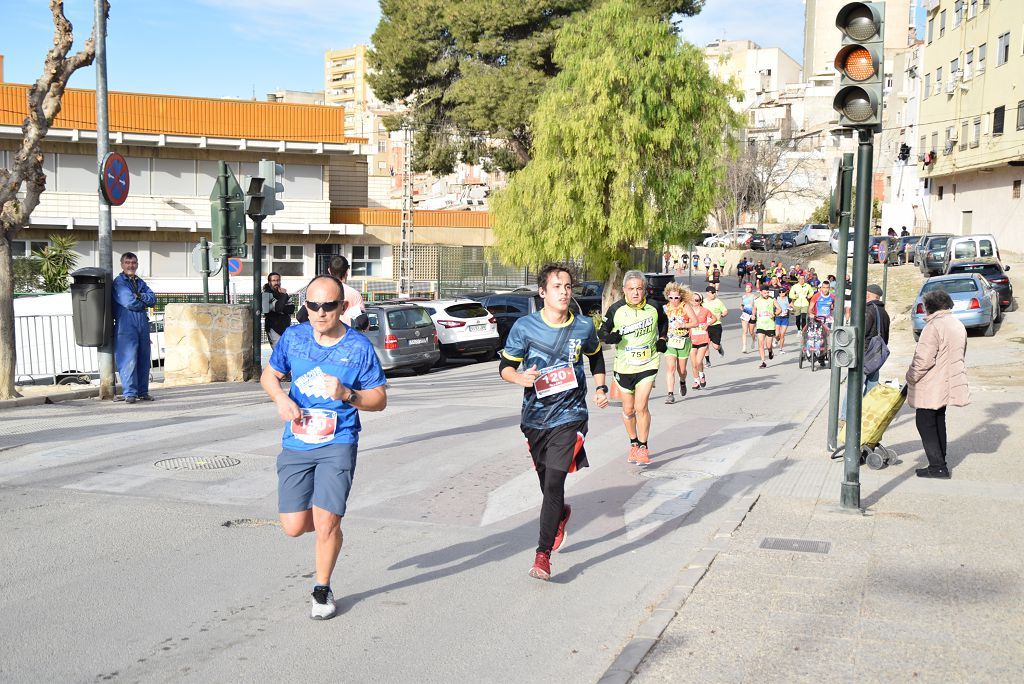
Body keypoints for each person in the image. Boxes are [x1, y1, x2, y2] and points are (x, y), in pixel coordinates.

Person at [261, 275, 388, 619]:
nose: (320, 312)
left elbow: (379, 399)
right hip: (298, 441)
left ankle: (322, 587)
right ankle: (328, 525)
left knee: (326, 522)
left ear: (342, 307)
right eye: (313, 305)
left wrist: (348, 394)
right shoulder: (294, 337)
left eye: (328, 305)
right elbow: (268, 376)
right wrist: (280, 399)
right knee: (293, 526)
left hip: (338, 440)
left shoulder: (358, 347)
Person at [500, 264, 608, 580]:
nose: (564, 291)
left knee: (555, 482)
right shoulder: (524, 327)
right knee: (548, 485)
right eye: (557, 286)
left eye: (568, 286)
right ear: (543, 292)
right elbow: (505, 366)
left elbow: (596, 356)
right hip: (534, 418)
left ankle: (542, 554)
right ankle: (559, 514)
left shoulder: (584, 326)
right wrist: (519, 377)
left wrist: (600, 386)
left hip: (570, 415)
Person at [600, 271, 668, 465]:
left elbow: (664, 322)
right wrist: (609, 337)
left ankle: (643, 447)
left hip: (648, 362)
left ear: (644, 289)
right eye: (631, 289)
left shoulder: (654, 306)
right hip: (624, 365)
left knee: (641, 406)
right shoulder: (616, 309)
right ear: (624, 291)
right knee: (629, 409)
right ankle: (633, 443)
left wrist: (662, 339)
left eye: (639, 288)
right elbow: (601, 331)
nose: (636, 293)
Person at [906, 290, 969, 479]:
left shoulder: (933, 327)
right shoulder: (957, 324)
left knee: (925, 423)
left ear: (929, 307)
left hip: (931, 383)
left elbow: (923, 359)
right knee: (938, 420)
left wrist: (910, 376)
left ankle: (937, 466)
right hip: (947, 380)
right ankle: (940, 461)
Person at [112, 252, 157, 404]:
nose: (131, 265)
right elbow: (129, 302)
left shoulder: (139, 282)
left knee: (144, 358)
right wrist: (141, 299)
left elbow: (153, 298)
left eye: (133, 263)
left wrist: (139, 296)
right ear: (122, 264)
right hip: (126, 324)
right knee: (128, 359)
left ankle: (143, 391)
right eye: (127, 262)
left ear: (137, 265)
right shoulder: (119, 282)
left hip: (142, 324)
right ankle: (130, 392)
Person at [297, 255, 368, 330]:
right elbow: (362, 322)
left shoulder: (319, 290)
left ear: (329, 270)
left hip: (321, 337)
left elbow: (301, 316)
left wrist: (314, 329)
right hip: (345, 337)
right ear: (347, 271)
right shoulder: (354, 294)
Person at [661, 283, 697, 404]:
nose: (674, 300)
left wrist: (683, 325)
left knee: (681, 370)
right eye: (671, 297)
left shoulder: (685, 306)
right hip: (670, 342)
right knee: (670, 368)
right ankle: (670, 394)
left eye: (676, 297)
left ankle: (682, 381)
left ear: (680, 297)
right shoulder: (665, 308)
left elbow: (695, 322)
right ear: (667, 297)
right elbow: (660, 324)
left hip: (683, 341)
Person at [863, 283, 890, 393]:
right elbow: (886, 337)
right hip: (876, 355)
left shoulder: (868, 310)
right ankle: (868, 408)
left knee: (853, 389)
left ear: (868, 296)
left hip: (864, 354)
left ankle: (849, 411)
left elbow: (862, 332)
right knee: (872, 386)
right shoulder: (884, 313)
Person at [688, 292, 718, 390]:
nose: (694, 301)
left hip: (703, 339)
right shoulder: (688, 311)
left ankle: (701, 374)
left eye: (696, 300)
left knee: (698, 361)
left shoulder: (705, 311)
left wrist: (707, 324)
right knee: (693, 363)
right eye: (692, 299)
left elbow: (714, 318)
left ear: (700, 301)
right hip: (692, 339)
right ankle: (696, 381)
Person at [262, 272, 295, 348]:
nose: (276, 282)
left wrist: (280, 307)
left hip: (285, 326)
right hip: (274, 328)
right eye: (274, 280)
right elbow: (278, 308)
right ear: (269, 282)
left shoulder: (282, 293)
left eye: (278, 280)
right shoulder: (266, 295)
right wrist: (282, 301)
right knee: (278, 352)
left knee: (285, 351)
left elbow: (291, 309)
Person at [753, 283, 781, 368]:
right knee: (760, 343)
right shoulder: (757, 300)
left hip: (770, 325)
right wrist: (753, 315)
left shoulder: (772, 299)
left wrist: (775, 314)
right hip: (760, 325)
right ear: (761, 292)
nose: (767, 294)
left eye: (768, 292)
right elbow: (754, 309)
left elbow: (779, 309)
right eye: (765, 293)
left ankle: (770, 351)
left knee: (768, 345)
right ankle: (763, 361)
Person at [703, 285, 728, 359]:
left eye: (714, 293)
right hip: (706, 325)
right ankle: (707, 361)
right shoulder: (702, 302)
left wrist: (723, 315)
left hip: (716, 325)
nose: (714, 294)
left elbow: (725, 311)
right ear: (707, 293)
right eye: (712, 293)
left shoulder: (718, 302)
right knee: (705, 344)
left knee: (715, 346)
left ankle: (720, 348)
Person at [740, 283, 757, 354]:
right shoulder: (743, 296)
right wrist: (741, 307)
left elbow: (756, 306)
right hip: (745, 314)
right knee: (744, 331)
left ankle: (753, 339)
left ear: (751, 289)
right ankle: (744, 347)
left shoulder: (754, 296)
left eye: (749, 288)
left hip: (752, 314)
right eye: (746, 287)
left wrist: (754, 314)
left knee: (751, 331)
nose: (747, 289)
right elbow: (742, 304)